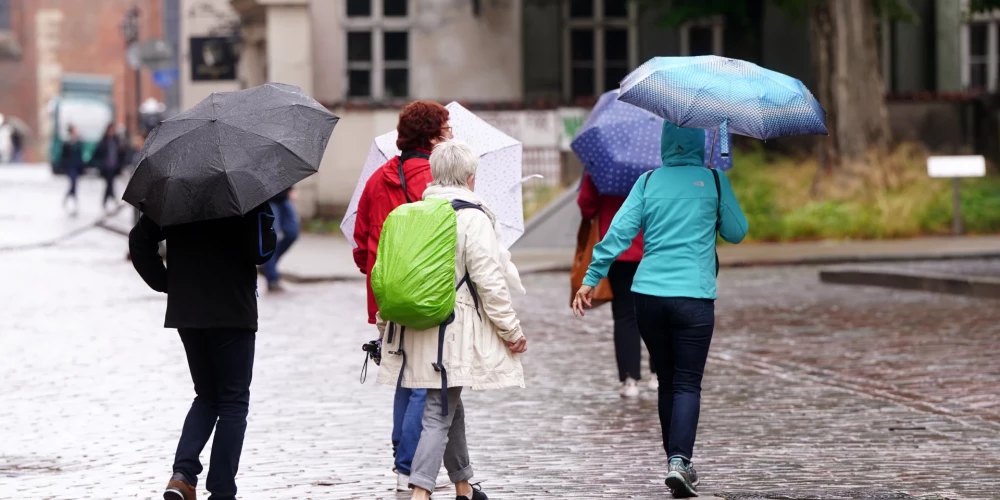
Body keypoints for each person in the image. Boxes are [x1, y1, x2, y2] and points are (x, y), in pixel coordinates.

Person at [571, 123, 748, 498]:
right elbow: (737, 232)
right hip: (694, 297)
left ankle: (676, 462)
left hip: (647, 296)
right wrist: (715, 208)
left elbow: (616, 234)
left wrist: (590, 279)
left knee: (667, 381)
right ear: (700, 144)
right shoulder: (714, 181)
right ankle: (679, 461)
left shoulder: (648, 182)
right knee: (686, 382)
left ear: (665, 144)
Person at [376, 140, 527, 500]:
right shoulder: (473, 218)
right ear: (470, 178)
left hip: (414, 327)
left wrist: (385, 330)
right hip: (452, 329)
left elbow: (385, 276)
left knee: (447, 400)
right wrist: (512, 331)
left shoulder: (412, 212)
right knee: (439, 409)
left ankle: (464, 486)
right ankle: (420, 492)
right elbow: (490, 281)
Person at [128, 203, 277, 500]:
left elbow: (139, 240)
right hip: (233, 308)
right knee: (233, 400)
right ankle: (221, 490)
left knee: (207, 395)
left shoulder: (176, 194)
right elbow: (260, 251)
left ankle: (182, 475)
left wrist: (167, 282)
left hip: (189, 310)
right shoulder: (245, 193)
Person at [352, 101, 453, 491]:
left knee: (402, 374)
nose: (450, 133)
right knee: (424, 380)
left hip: (388, 296)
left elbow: (361, 244)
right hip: (429, 292)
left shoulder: (379, 178)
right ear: (431, 135)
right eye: (446, 128)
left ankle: (402, 463)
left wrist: (383, 278)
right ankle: (409, 464)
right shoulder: (437, 178)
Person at [578, 172, 657, 398]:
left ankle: (630, 380)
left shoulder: (603, 163)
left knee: (624, 315)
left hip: (617, 250)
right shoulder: (657, 168)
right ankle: (657, 375)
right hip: (652, 246)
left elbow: (586, 205)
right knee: (656, 312)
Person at [260, 187, 300, 292]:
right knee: (273, 238)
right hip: (268, 200)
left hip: (284, 198)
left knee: (292, 232)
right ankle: (272, 279)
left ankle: (268, 265)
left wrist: (291, 189)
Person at [94, 123, 126, 212]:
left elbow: (121, 154)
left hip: (114, 166)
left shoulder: (117, 140)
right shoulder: (103, 141)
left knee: (110, 183)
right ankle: (112, 199)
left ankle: (108, 200)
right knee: (109, 183)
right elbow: (97, 153)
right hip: (106, 166)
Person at [61, 124, 85, 216]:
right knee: (73, 183)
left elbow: (80, 154)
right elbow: (64, 156)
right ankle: (72, 200)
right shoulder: (67, 143)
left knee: (74, 184)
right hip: (70, 167)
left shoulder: (78, 142)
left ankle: (68, 199)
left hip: (76, 167)